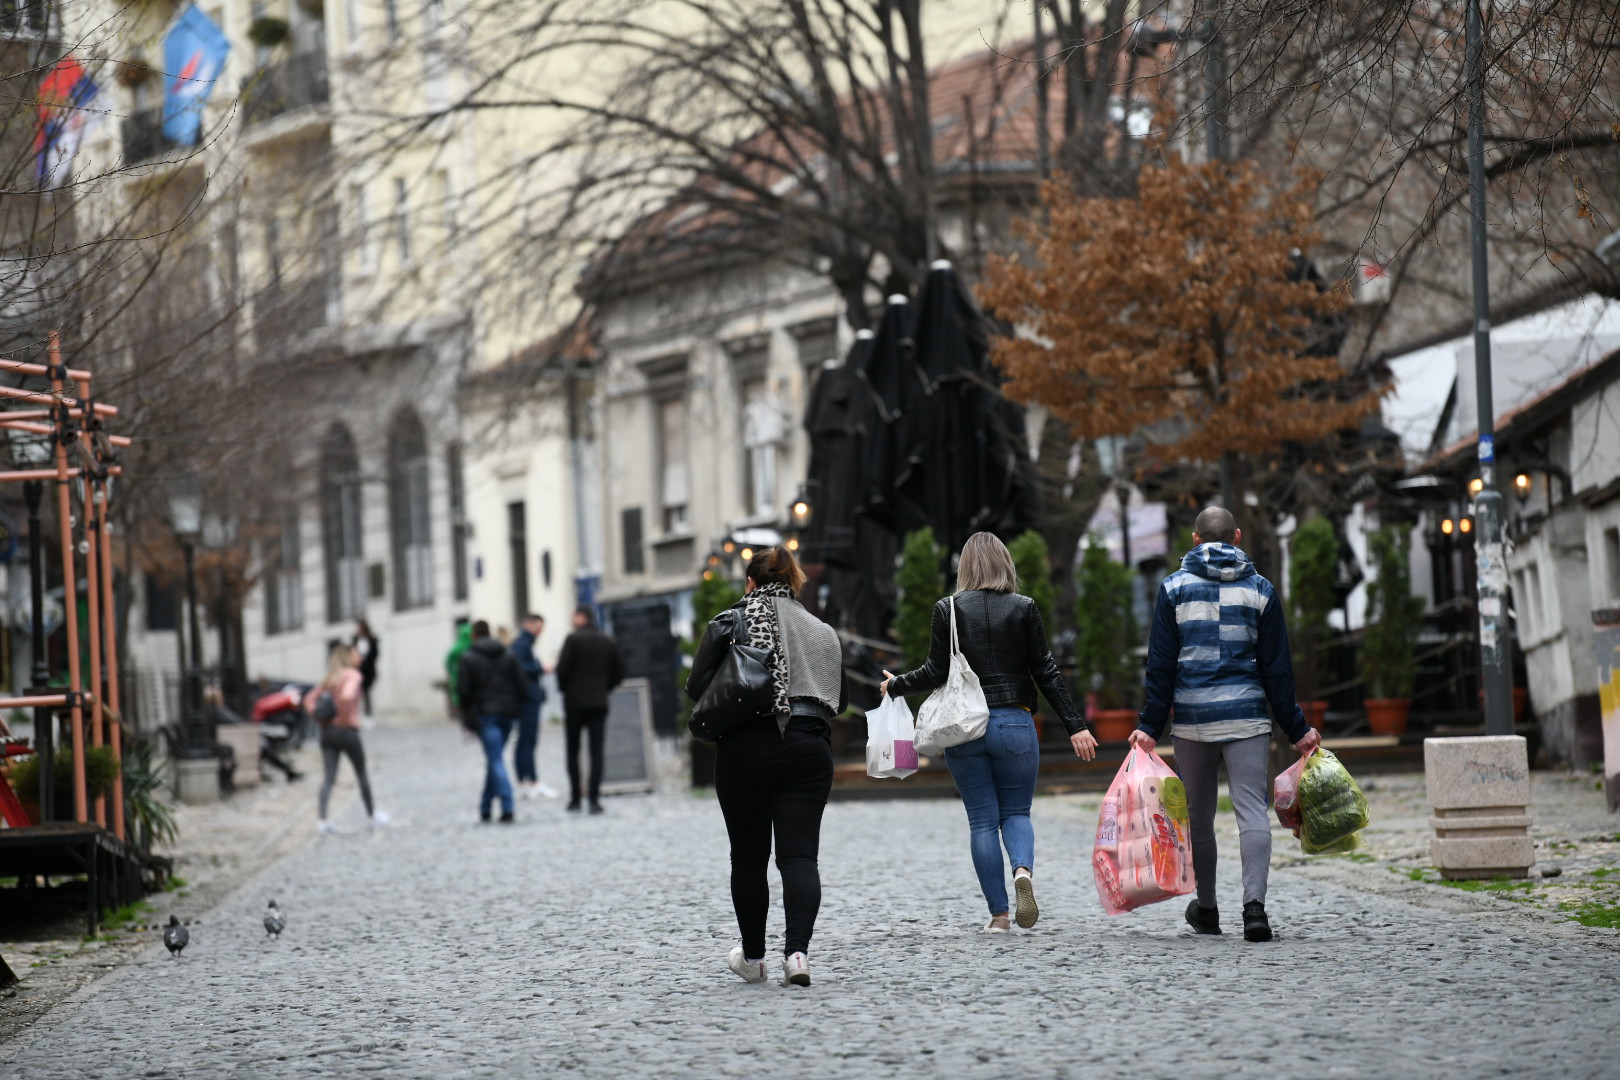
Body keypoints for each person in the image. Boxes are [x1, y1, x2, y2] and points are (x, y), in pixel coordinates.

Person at [882, 531, 1098, 933]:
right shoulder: (1024, 608)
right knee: (1017, 812)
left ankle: (999, 916)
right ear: (1006, 563)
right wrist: (1076, 726)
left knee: (982, 822)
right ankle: (1022, 872)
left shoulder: (948, 609)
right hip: (1014, 723)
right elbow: (1046, 671)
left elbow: (935, 672)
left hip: (964, 728)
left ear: (964, 567)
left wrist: (896, 685)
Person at [1130, 505, 1322, 943]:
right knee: (1251, 811)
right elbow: (1276, 669)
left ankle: (1208, 909)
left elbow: (1161, 665)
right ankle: (1255, 910)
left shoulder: (1173, 589)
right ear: (1237, 536)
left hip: (1193, 719)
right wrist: (1296, 728)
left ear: (1195, 540)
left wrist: (1150, 726)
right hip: (1247, 717)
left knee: (1198, 818)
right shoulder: (1261, 590)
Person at [687, 546, 843, 987]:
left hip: (744, 748)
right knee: (800, 856)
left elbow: (697, 686)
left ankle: (754, 958)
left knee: (748, 858)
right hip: (808, 746)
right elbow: (840, 697)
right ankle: (798, 955)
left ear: (750, 583)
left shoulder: (731, 620)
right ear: (795, 584)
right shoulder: (822, 631)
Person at [456, 619, 530, 823]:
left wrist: (468, 717)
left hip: (486, 715)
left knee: (495, 759)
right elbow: (522, 685)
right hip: (508, 713)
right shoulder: (508, 654)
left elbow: (463, 692)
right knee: (494, 757)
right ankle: (485, 806)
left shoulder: (468, 658)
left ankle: (507, 805)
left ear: (474, 635)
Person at [554, 605, 625, 815]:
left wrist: (566, 689)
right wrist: (605, 688)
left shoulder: (573, 639)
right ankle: (594, 799)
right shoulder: (607, 641)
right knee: (597, 752)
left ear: (581, 617)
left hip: (574, 703)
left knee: (573, 751)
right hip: (598, 702)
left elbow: (562, 669)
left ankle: (576, 798)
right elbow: (619, 672)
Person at [309, 644, 386, 833]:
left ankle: (322, 819)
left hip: (327, 732)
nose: (359, 656)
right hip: (347, 731)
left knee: (329, 776)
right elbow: (347, 696)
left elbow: (308, 700)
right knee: (361, 773)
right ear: (347, 657)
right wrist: (344, 720)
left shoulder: (330, 678)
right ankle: (372, 815)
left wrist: (319, 718)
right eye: (356, 654)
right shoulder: (353, 675)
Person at [510, 613, 556, 799]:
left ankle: (524, 782)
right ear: (529, 624)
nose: (540, 632)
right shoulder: (522, 644)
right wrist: (540, 669)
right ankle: (532, 782)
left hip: (526, 698)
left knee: (524, 741)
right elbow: (520, 668)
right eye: (538, 627)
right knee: (527, 741)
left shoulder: (524, 643)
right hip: (527, 699)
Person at [445, 620, 473, 718]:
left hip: (458, 678)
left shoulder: (456, 648)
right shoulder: (473, 645)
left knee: (462, 702)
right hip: (473, 680)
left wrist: (452, 672)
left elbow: (448, 663)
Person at [354, 619, 380, 722]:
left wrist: (364, 663)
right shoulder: (356, 640)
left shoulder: (371, 640)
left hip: (368, 671)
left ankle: (368, 716)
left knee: (366, 693)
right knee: (356, 693)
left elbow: (375, 654)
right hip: (358, 671)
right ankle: (357, 715)